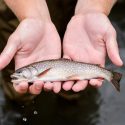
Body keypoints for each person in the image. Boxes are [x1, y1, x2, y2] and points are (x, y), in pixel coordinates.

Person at [0, 0, 123, 98]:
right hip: (21, 7)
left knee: (77, 91)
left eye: (20, 73)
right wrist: (30, 15)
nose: (18, 74)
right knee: (20, 92)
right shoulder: (35, 73)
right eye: (20, 73)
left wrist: (94, 8)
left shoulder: (37, 74)